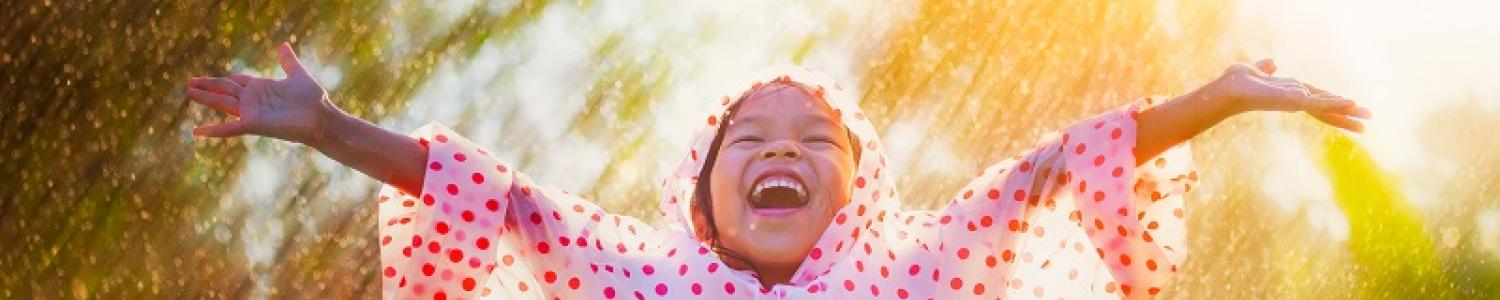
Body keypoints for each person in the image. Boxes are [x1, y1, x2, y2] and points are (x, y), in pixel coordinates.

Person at [186, 43, 1370, 299]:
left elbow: (1046, 174)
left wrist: (1213, 103)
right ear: (699, 189)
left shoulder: (911, 272)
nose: (780, 154)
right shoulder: (637, 274)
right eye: (748, 142)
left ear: (859, 186)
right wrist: (331, 129)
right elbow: (495, 201)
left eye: (812, 143)